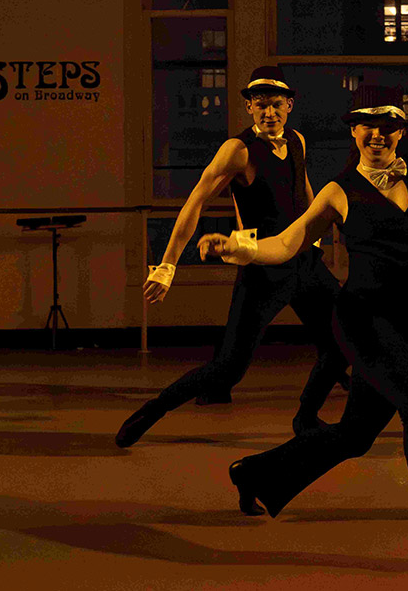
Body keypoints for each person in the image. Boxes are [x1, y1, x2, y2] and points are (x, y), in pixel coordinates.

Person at [198, 87, 408, 585]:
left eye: (387, 125)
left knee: (355, 436)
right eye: (365, 124)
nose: (376, 134)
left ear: (401, 132)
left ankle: (254, 474)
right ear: (353, 132)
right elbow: (287, 241)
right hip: (361, 321)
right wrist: (240, 248)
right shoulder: (338, 191)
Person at [115, 66, 349, 449]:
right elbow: (197, 201)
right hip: (262, 270)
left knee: (345, 336)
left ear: (289, 105)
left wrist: (317, 244)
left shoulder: (298, 141)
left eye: (275, 105)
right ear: (250, 108)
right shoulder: (237, 150)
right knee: (228, 368)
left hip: (305, 264)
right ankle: (152, 411)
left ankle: (306, 416)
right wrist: (167, 266)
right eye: (260, 106)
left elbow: (305, 192)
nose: (268, 113)